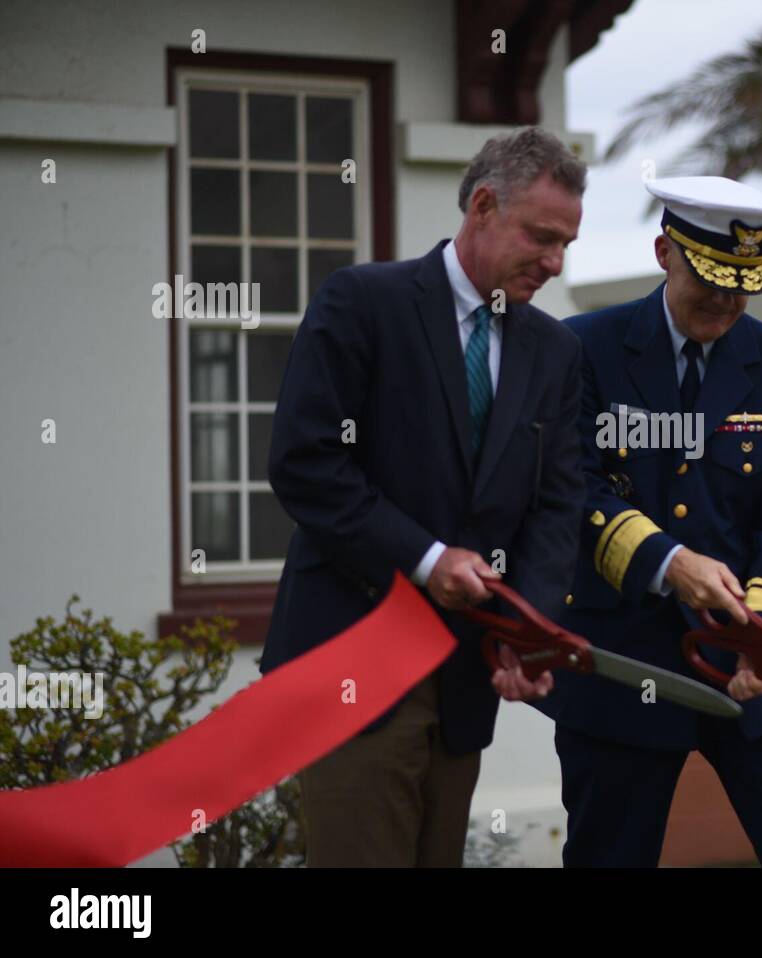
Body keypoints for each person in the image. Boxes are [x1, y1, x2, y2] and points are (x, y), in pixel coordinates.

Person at [260, 127, 587, 866]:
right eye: (541, 237)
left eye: (567, 243)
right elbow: (306, 464)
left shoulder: (556, 351)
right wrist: (427, 557)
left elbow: (558, 505)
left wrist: (523, 629)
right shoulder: (362, 302)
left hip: (467, 681)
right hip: (353, 663)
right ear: (481, 205)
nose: (555, 262)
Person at [536, 175, 762, 866]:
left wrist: (761, 635)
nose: (727, 300)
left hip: (758, 671)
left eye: (744, 284)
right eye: (710, 279)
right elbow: (567, 486)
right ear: (663, 252)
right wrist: (667, 563)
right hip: (621, 665)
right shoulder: (582, 349)